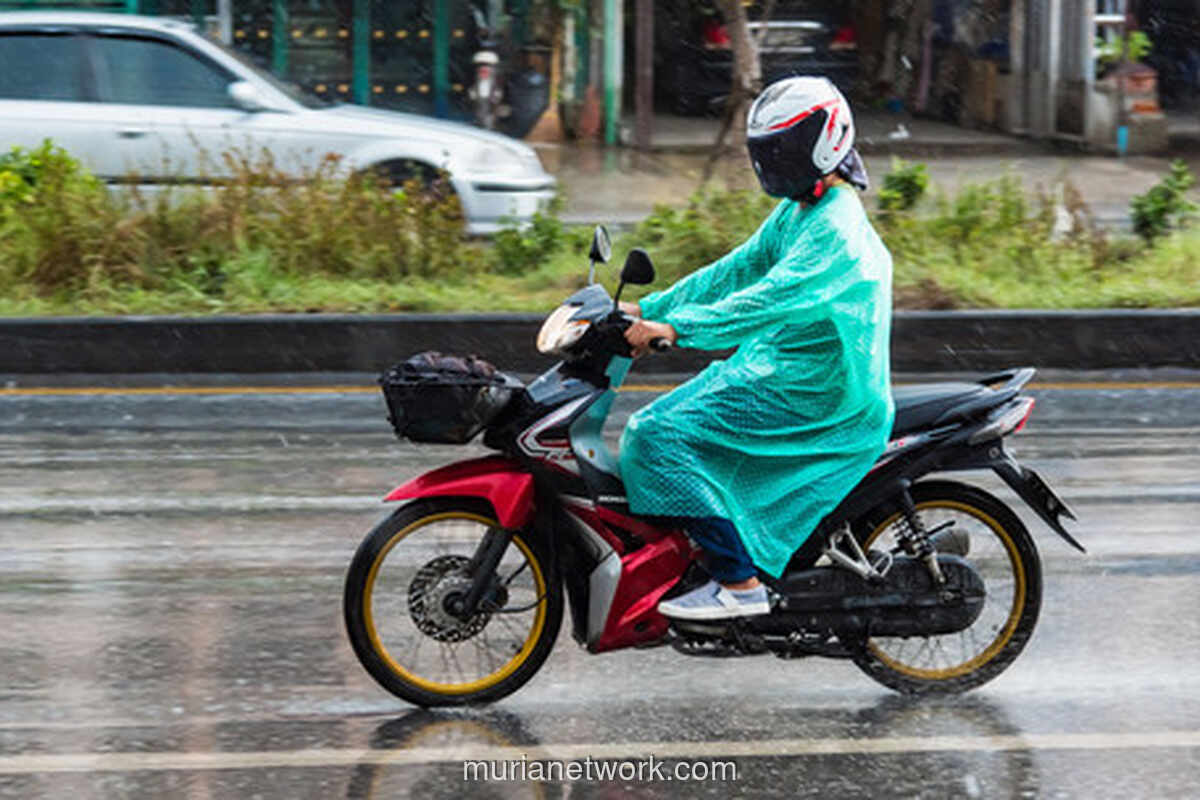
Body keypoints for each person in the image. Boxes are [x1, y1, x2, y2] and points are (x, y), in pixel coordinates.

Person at [619, 76, 895, 621]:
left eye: (784, 147)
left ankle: (738, 584)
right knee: (669, 422)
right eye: (767, 150)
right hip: (779, 371)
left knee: (656, 436)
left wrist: (677, 330)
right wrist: (652, 309)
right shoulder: (801, 210)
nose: (773, 161)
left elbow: (763, 301)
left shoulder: (835, 231)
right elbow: (737, 270)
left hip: (817, 395)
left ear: (825, 141)